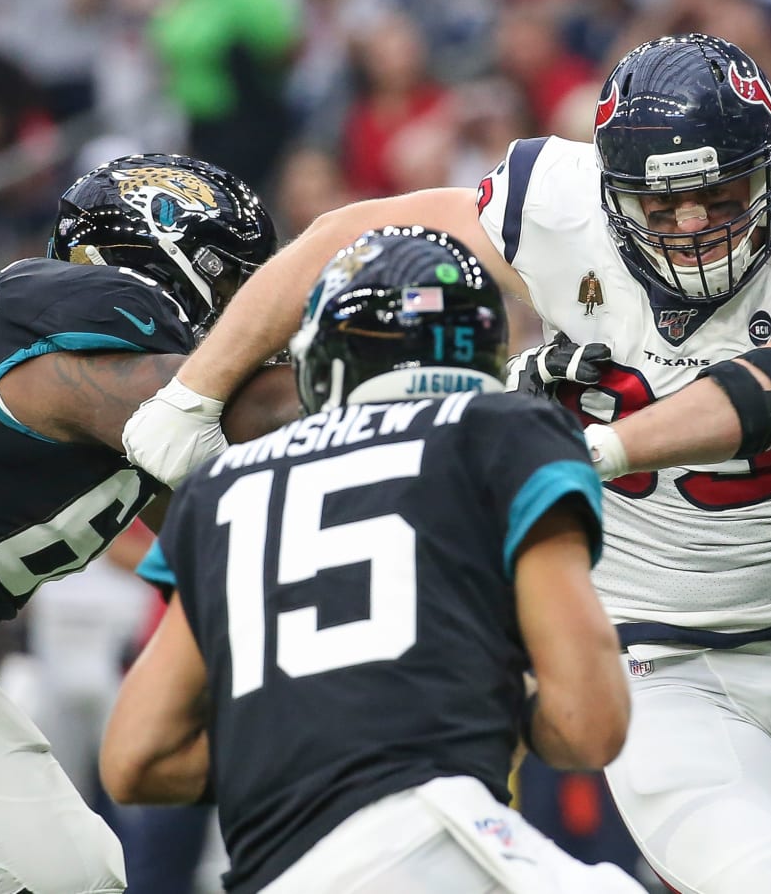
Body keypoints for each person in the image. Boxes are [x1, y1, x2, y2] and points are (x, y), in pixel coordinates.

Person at [122, 34, 771, 892]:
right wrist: (193, 394)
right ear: (611, 196)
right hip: (662, 660)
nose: (691, 229)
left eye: (718, 195)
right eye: (659, 207)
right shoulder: (559, 207)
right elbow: (341, 243)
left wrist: (599, 444)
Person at [100, 226, 645, 894]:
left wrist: (305, 755)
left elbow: (135, 757)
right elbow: (589, 723)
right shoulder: (506, 432)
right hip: (428, 836)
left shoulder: (225, 481)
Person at [0, 152, 294, 894]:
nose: (245, 320)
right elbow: (224, 410)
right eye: (235, 285)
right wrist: (391, 364)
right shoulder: (94, 331)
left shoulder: (126, 399)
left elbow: (205, 531)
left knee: (63, 873)